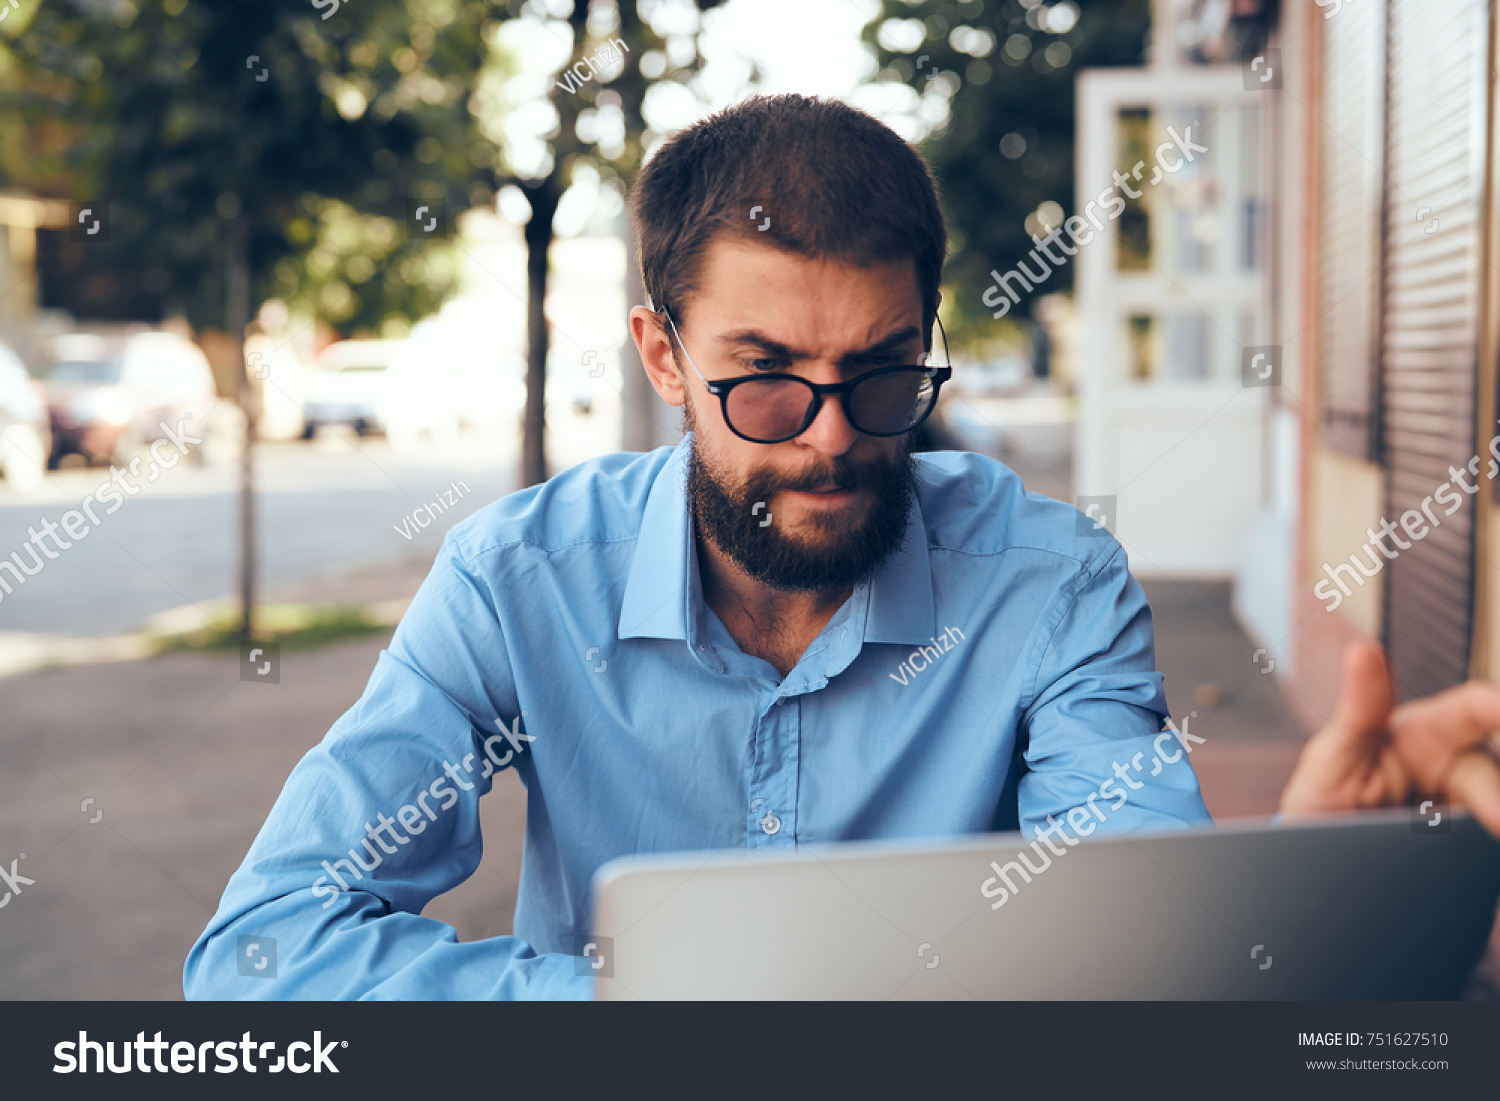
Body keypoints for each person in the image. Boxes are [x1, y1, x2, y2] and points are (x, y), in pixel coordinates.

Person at [185, 94, 1500, 1001]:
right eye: (763, 381)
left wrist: (1264, 912)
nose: (827, 441)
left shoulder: (1053, 585)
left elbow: (1128, 933)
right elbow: (260, 955)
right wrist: (647, 1002)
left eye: (879, 376)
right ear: (663, 354)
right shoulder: (518, 579)